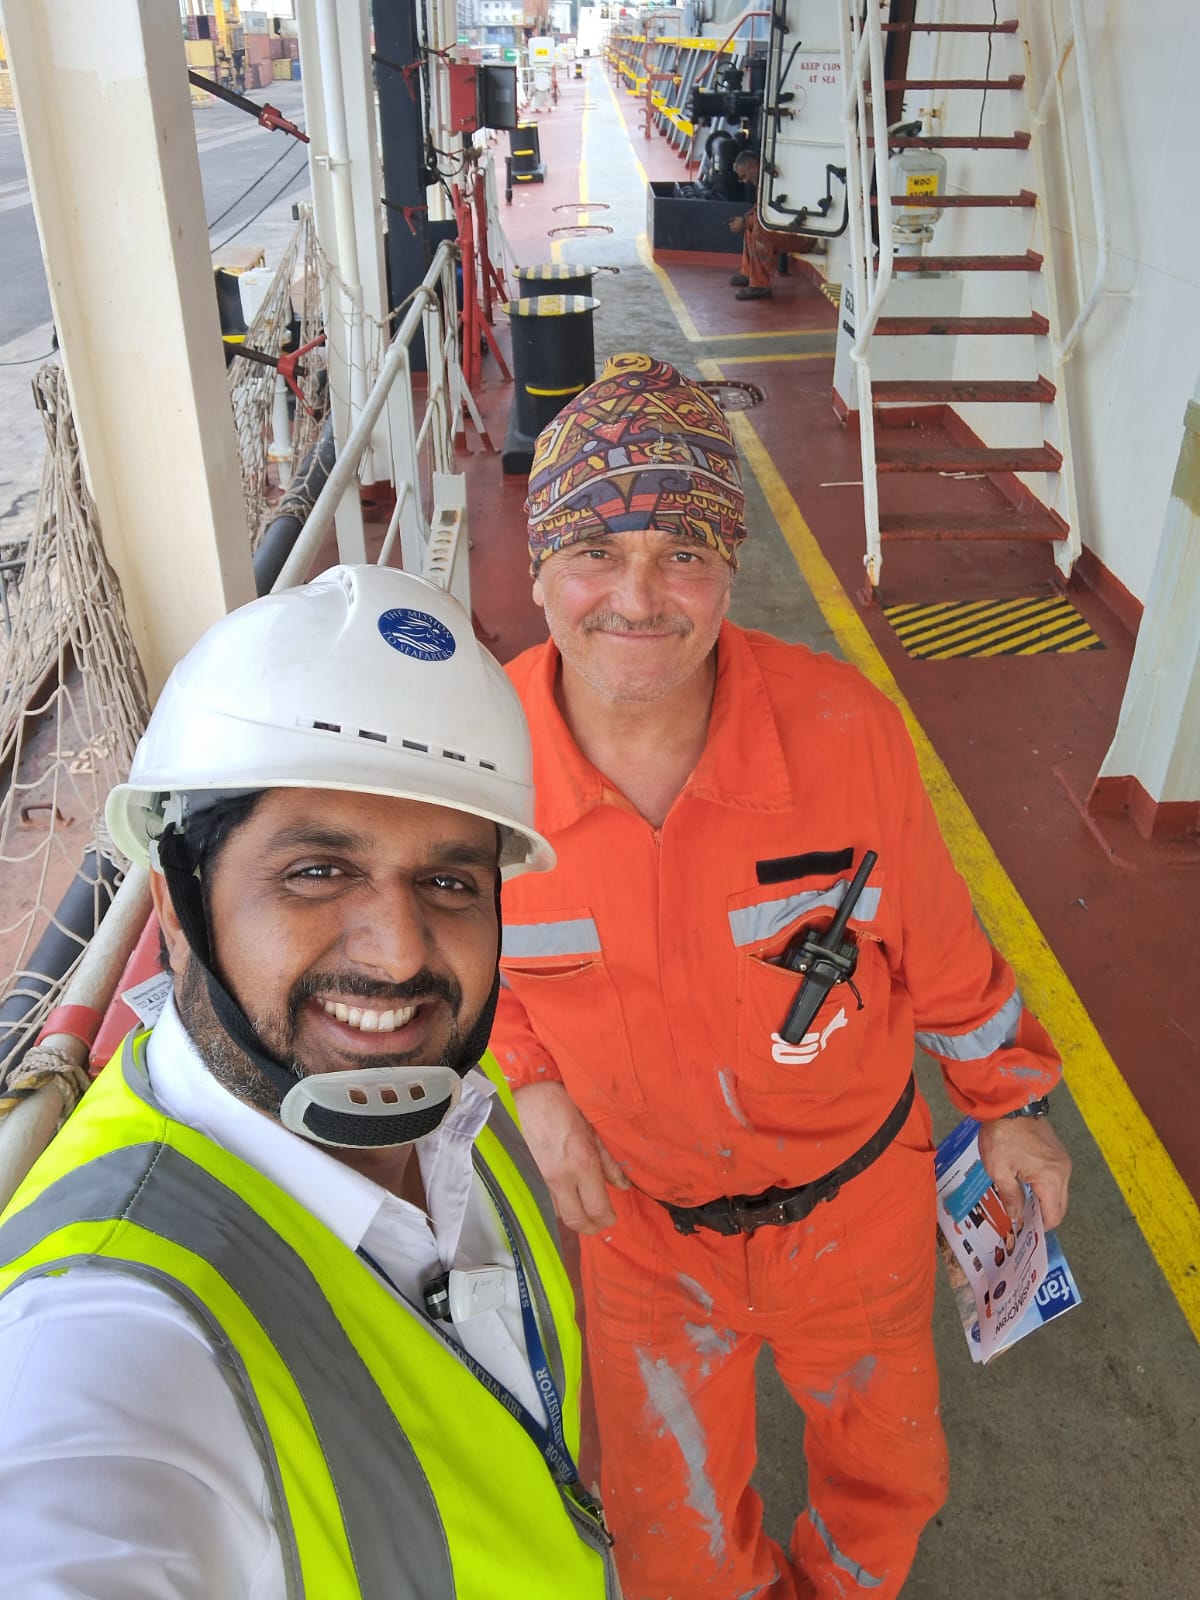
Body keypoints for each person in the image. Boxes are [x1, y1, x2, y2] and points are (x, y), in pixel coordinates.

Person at [491, 353, 1072, 1600]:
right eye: (594, 549)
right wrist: (531, 1081)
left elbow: (942, 950)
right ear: (536, 568)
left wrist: (1012, 1105)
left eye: (683, 551)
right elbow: (460, 972)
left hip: (857, 1208)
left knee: (890, 1478)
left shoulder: (845, 730)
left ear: (731, 568)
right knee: (666, 1536)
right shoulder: (473, 772)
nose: (637, 596)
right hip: (646, 1231)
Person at [0, 566, 618, 1598]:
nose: (399, 953)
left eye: (450, 881)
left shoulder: (467, 1105)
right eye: (318, 872)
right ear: (177, 902)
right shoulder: (109, 1333)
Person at [728, 148, 815, 302]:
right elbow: (760, 210)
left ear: (753, 168)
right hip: (792, 231)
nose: (745, 181)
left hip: (804, 236)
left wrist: (745, 221)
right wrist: (745, 220)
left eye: (744, 176)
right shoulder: (765, 182)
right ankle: (749, 273)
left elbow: (771, 217)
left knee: (759, 229)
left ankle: (760, 286)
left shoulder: (775, 182)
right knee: (750, 226)